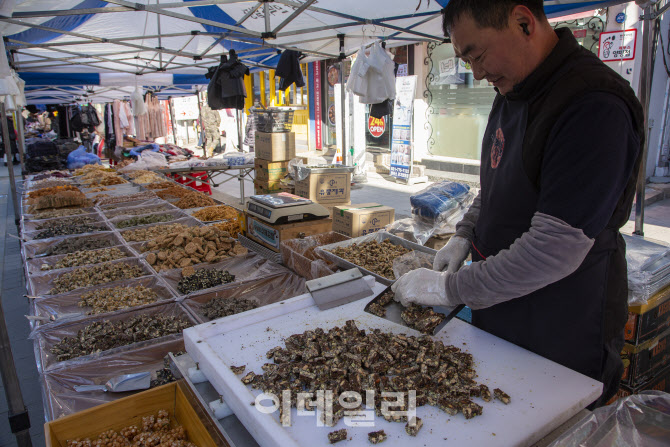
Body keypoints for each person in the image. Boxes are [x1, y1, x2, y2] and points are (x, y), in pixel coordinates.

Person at [392, 0, 643, 408]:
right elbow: (497, 184)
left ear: (523, 22)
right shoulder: (511, 88)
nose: (476, 73)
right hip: (502, 311)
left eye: (477, 54)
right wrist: (464, 232)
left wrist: (450, 288)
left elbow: (552, 250)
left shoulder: (593, 105)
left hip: (562, 328)